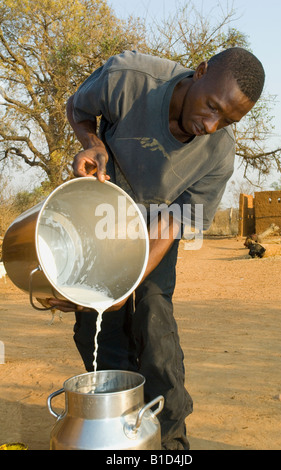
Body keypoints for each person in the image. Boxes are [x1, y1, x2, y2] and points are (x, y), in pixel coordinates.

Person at [49, 47, 265, 449]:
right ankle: (115, 431)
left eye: (226, 120)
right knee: (94, 322)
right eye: (211, 107)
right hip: (102, 209)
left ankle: (169, 438)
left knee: (152, 311)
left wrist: (127, 286)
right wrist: (93, 143)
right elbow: (77, 108)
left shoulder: (219, 153)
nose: (210, 124)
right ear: (200, 72)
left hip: (155, 224)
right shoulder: (129, 77)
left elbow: (175, 222)